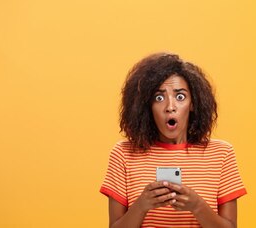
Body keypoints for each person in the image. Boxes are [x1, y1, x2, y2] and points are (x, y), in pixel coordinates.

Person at [100, 53, 247, 227]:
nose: (170, 107)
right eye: (159, 98)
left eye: (180, 97)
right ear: (147, 105)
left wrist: (197, 206)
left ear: (193, 103)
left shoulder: (221, 154)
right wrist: (141, 206)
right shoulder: (123, 154)